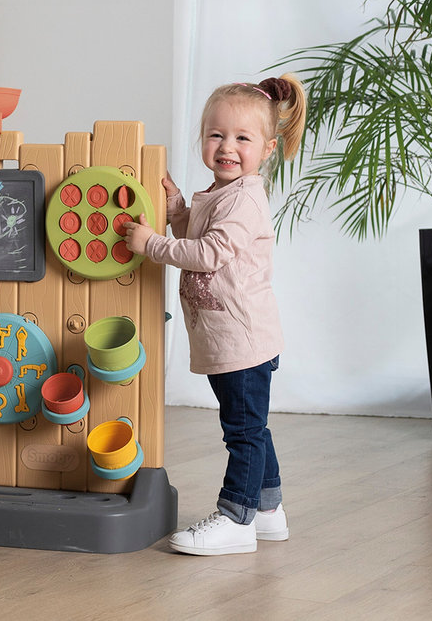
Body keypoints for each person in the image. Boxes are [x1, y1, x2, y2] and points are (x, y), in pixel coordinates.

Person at [123, 75, 307, 556]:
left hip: (242, 339)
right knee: (251, 426)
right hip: (226, 337)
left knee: (242, 432)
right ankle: (267, 511)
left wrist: (152, 244)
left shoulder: (245, 199)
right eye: (216, 134)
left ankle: (236, 517)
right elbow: (198, 229)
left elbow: (208, 253)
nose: (227, 146)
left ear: (267, 149)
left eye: (242, 138)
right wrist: (176, 207)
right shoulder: (221, 192)